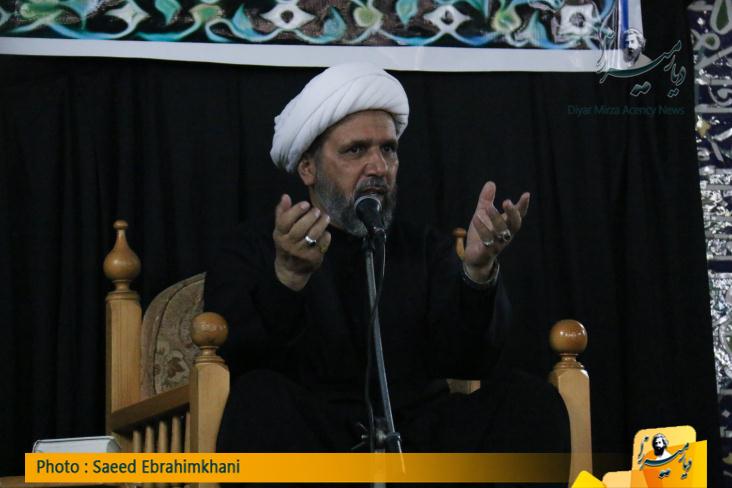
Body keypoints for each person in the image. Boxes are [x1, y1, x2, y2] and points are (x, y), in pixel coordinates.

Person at [204, 62, 569, 484]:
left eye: (388, 150)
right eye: (355, 150)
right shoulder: (251, 248)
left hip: (419, 440)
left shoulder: (424, 248)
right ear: (308, 168)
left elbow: (471, 360)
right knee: (258, 401)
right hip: (319, 443)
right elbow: (238, 362)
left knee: (530, 401)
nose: (378, 166)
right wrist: (287, 278)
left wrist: (477, 272)